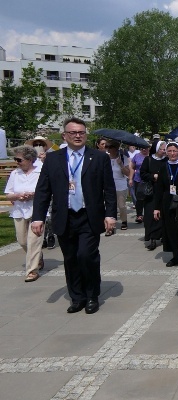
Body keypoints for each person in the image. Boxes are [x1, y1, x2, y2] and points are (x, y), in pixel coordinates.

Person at [31, 117, 117, 314]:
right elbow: (43, 190)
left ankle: (92, 295)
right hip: (65, 216)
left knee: (86, 256)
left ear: (86, 135)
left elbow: (109, 189)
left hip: (89, 216)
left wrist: (110, 215)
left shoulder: (99, 157)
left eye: (81, 132)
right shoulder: (54, 159)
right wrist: (38, 217)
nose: (78, 136)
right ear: (64, 135)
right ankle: (77, 297)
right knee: (70, 259)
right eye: (73, 133)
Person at [4, 145, 45, 282]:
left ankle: (32, 271)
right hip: (19, 211)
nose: (17, 162)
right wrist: (18, 196)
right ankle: (38, 257)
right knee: (22, 241)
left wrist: (33, 195)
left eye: (19, 159)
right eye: (16, 159)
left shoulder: (41, 172)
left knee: (33, 241)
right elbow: (8, 194)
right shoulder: (15, 174)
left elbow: (47, 191)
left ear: (30, 159)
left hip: (37, 211)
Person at [153, 142, 178, 267]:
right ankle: (175, 255)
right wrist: (156, 208)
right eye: (169, 151)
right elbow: (159, 188)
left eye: (175, 151)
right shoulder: (164, 167)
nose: (172, 153)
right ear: (166, 152)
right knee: (170, 229)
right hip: (168, 201)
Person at [140, 141, 166, 250]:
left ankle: (162, 235)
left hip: (163, 191)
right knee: (151, 215)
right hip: (151, 192)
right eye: (162, 149)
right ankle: (152, 239)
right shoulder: (148, 159)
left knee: (162, 214)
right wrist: (153, 176)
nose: (164, 151)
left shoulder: (166, 160)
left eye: (165, 149)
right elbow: (142, 174)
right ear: (156, 149)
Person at [105, 141, 130, 232]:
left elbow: (127, 173)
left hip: (120, 185)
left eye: (111, 147)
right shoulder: (105, 158)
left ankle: (124, 221)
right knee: (110, 206)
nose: (109, 149)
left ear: (116, 148)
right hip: (108, 185)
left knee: (121, 205)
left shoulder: (123, 158)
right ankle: (111, 225)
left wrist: (121, 164)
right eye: (108, 147)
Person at [129, 146, 149, 223]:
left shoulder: (152, 156)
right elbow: (132, 168)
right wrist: (130, 178)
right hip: (138, 180)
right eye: (142, 148)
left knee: (148, 198)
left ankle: (148, 214)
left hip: (148, 180)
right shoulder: (137, 156)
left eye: (146, 148)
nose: (144, 149)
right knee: (139, 198)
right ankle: (139, 215)